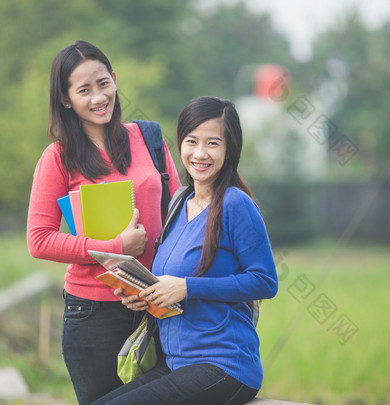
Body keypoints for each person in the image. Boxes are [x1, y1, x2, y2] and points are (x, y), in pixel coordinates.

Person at [91, 96, 279, 405]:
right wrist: (144, 293)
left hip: (224, 365)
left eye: (213, 143)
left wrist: (186, 288)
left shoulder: (235, 204)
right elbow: (172, 281)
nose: (200, 153)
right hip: (176, 362)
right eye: (192, 141)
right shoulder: (179, 202)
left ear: (230, 149)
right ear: (180, 143)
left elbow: (265, 281)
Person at [26, 40, 181, 405]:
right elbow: (40, 240)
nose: (98, 97)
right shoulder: (58, 158)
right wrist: (116, 249)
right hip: (94, 316)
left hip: (157, 304)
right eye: (84, 90)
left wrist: (172, 284)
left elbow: (178, 214)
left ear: (114, 79)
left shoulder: (149, 138)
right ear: (66, 99)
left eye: (103, 83)